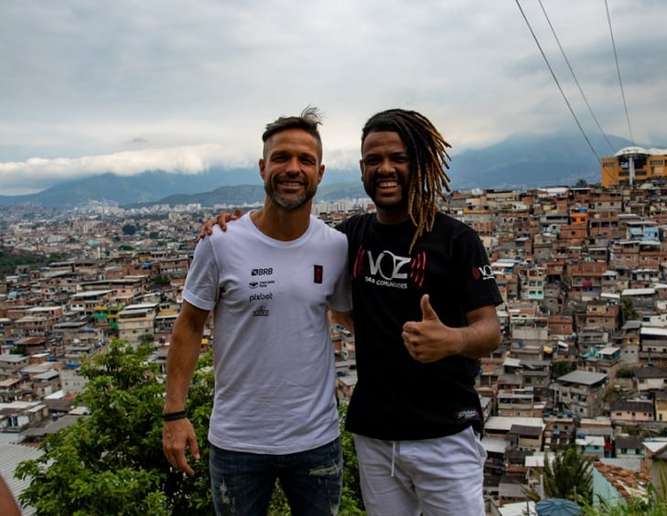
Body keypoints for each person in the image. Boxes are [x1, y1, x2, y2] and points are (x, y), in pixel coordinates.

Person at [203, 108, 502, 515]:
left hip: (444, 433)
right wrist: (238, 226)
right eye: (374, 160)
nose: (386, 169)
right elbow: (291, 243)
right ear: (361, 168)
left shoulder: (457, 240)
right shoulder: (350, 238)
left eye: (398, 158)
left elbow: (489, 331)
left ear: (419, 162)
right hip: (375, 435)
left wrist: (453, 340)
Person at [163, 107, 351, 516]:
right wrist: (174, 413)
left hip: (315, 437)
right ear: (262, 167)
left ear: (321, 172)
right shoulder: (221, 241)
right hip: (238, 441)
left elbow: (350, 318)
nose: (293, 168)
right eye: (281, 157)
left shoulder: (336, 246)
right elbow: (189, 327)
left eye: (305, 160)